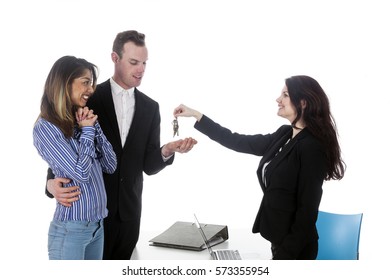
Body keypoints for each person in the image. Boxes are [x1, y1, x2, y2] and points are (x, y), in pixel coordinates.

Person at [45, 30, 197, 260]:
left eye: (145, 63)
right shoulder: (89, 98)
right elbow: (62, 148)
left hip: (129, 216)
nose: (141, 69)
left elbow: (148, 166)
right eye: (134, 62)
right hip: (89, 214)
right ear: (115, 58)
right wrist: (49, 184)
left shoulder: (150, 108)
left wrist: (167, 150)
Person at [173, 75, 346, 260]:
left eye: (285, 95)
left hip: (296, 249)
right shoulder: (285, 134)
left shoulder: (312, 146)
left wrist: (284, 257)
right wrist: (196, 115)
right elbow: (237, 140)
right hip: (278, 240)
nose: (278, 100)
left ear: (303, 103)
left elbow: (307, 210)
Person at [33, 56, 117, 259]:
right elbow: (81, 174)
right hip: (71, 230)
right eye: (86, 82)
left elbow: (111, 165)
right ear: (64, 83)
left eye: (92, 83)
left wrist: (94, 128)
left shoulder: (81, 121)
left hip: (97, 227)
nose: (91, 89)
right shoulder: (46, 128)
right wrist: (88, 131)